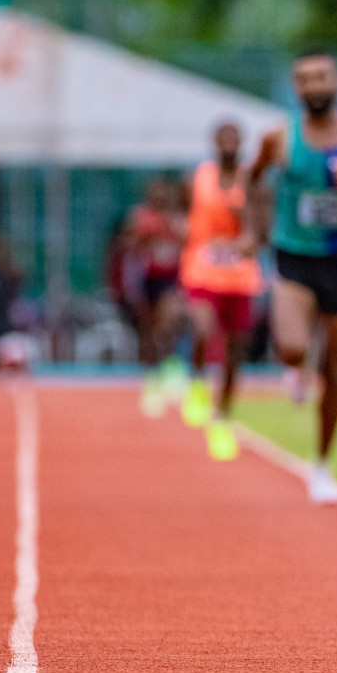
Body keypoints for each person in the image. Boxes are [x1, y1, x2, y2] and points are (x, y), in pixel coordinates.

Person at [252, 49, 337, 503]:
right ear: (297, 89)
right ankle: (296, 365)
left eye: (321, 78)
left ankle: (323, 465)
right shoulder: (278, 139)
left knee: (334, 367)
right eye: (305, 79)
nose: (314, 86)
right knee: (292, 347)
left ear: (336, 84)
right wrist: (254, 231)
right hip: (294, 254)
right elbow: (253, 181)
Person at [179, 122, 265, 460]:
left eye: (234, 137)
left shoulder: (251, 181)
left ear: (241, 142)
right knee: (203, 327)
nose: (229, 143)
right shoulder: (197, 178)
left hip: (239, 273)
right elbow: (185, 214)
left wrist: (248, 235)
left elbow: (261, 229)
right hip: (201, 267)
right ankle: (198, 383)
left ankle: (223, 417)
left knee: (235, 351)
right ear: (214, 142)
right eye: (223, 137)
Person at [122, 178, 189, 369]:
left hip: (169, 279)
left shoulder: (177, 221)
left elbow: (188, 245)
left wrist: (173, 233)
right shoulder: (141, 218)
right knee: (147, 329)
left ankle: (169, 363)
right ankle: (150, 369)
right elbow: (127, 245)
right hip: (146, 279)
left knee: (167, 324)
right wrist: (143, 237)